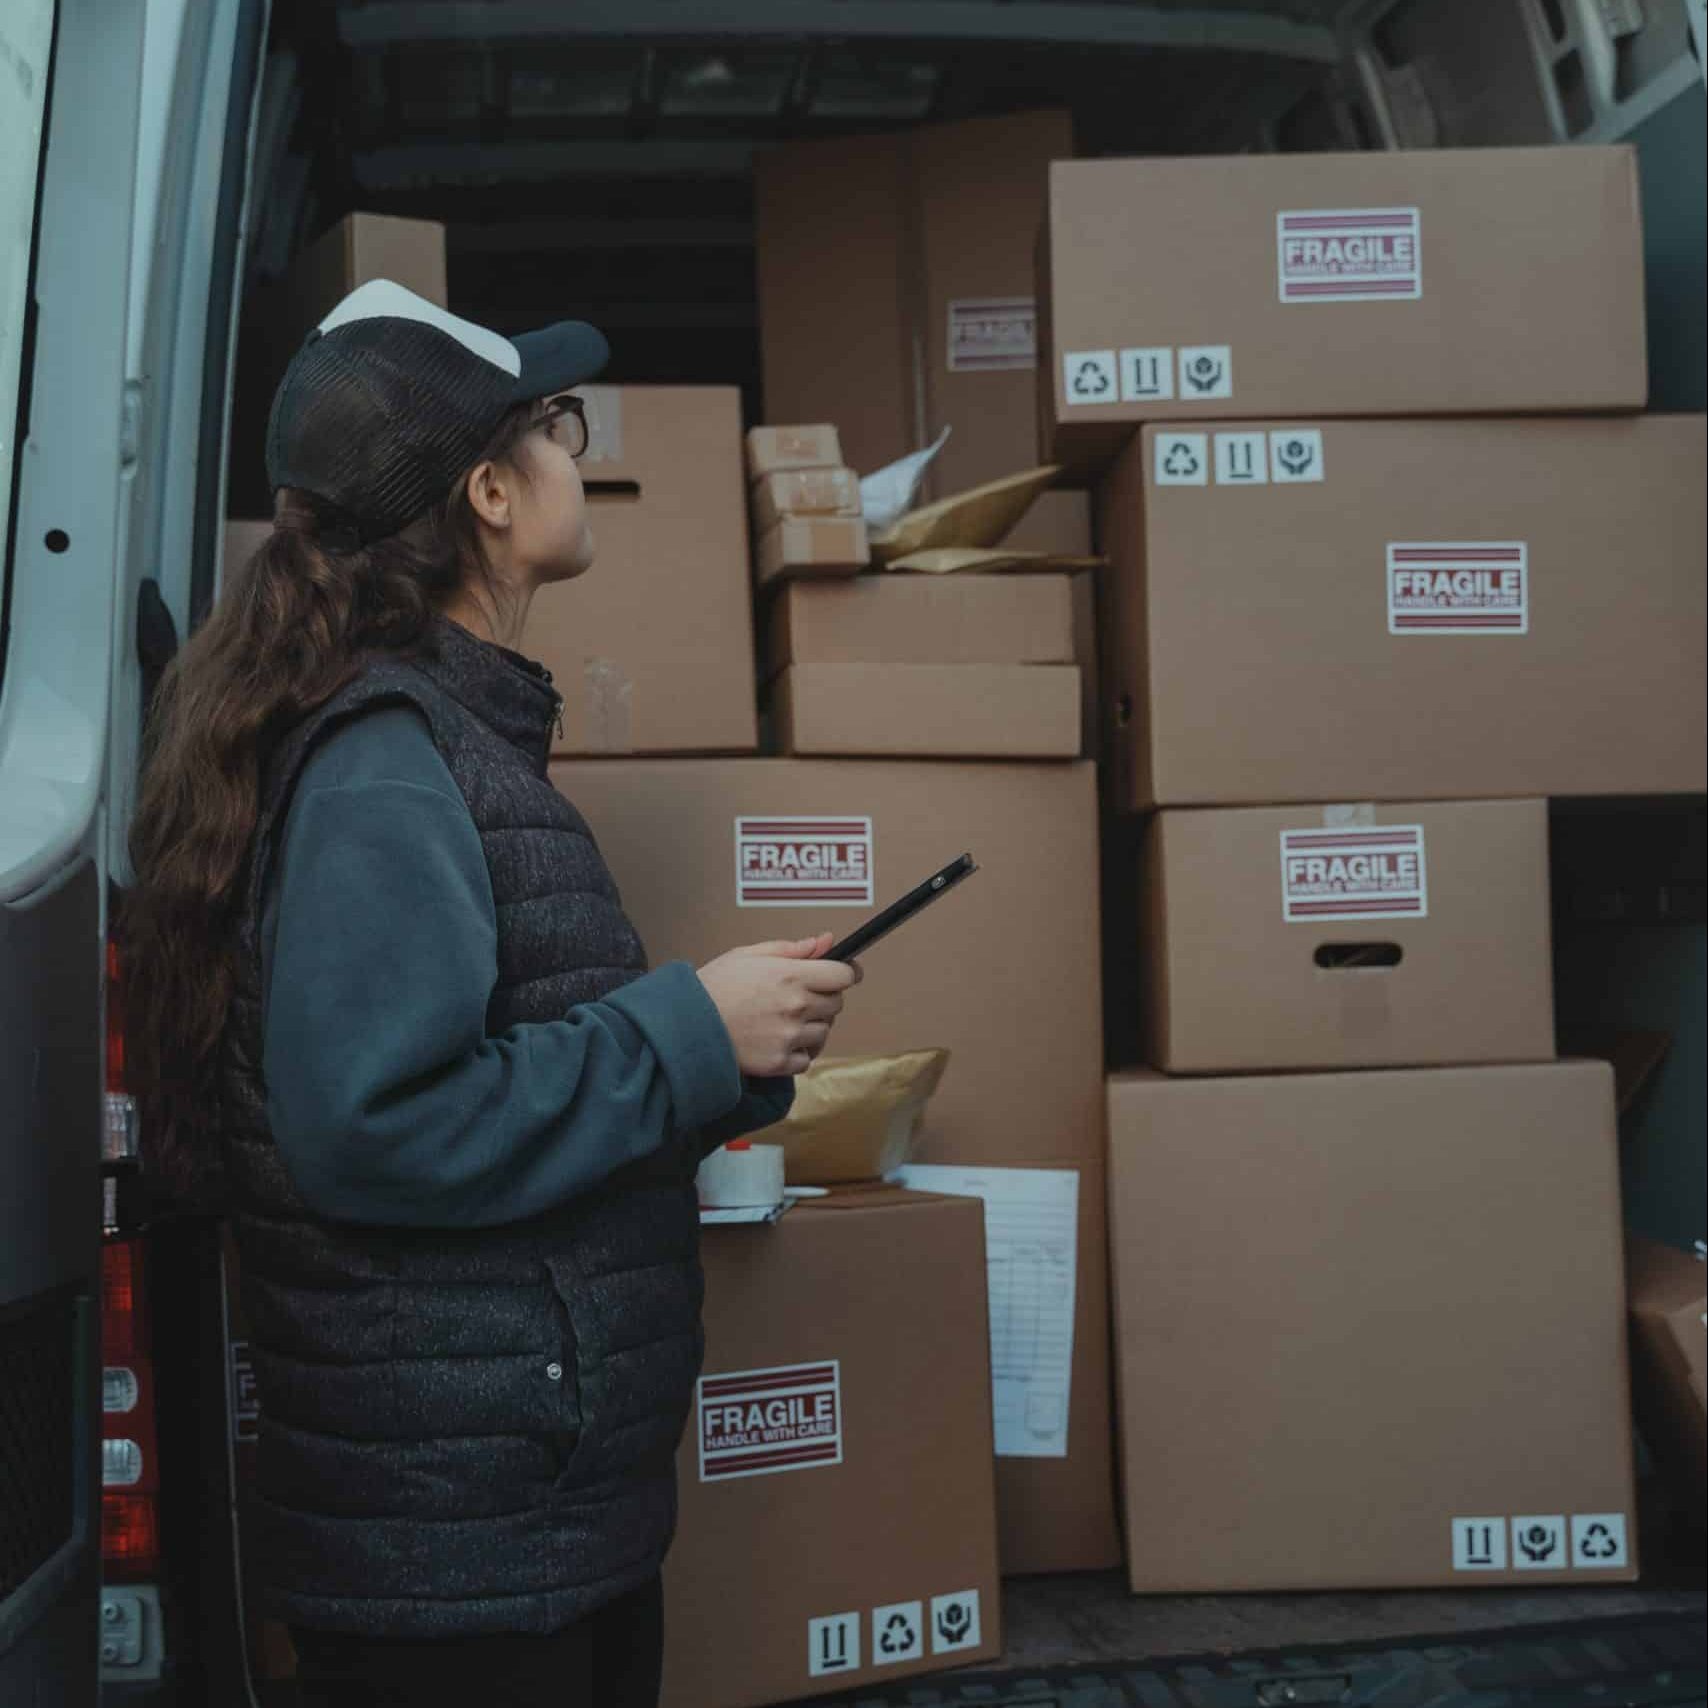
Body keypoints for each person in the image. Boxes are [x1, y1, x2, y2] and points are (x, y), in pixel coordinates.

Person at [123, 280, 861, 1707]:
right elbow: (378, 1123)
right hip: (456, 1578)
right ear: (490, 494)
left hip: (504, 1536)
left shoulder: (448, 737)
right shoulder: (388, 761)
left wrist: (719, 1057)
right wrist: (686, 1029)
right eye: (556, 429)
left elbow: (490, 1079)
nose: (578, 455)